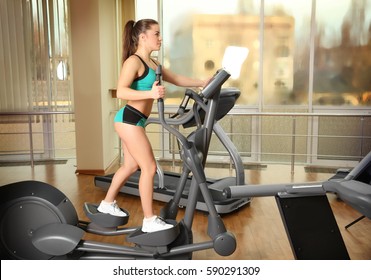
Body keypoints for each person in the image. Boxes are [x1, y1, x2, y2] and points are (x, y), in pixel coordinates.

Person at [97, 19, 209, 233]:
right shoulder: (134, 61)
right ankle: (149, 220)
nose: (160, 38)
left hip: (136, 120)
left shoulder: (154, 64)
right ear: (142, 37)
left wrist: (202, 82)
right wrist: (150, 93)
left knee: (130, 166)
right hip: (128, 118)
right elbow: (121, 91)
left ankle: (107, 203)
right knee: (148, 168)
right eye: (156, 34)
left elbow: (175, 78)